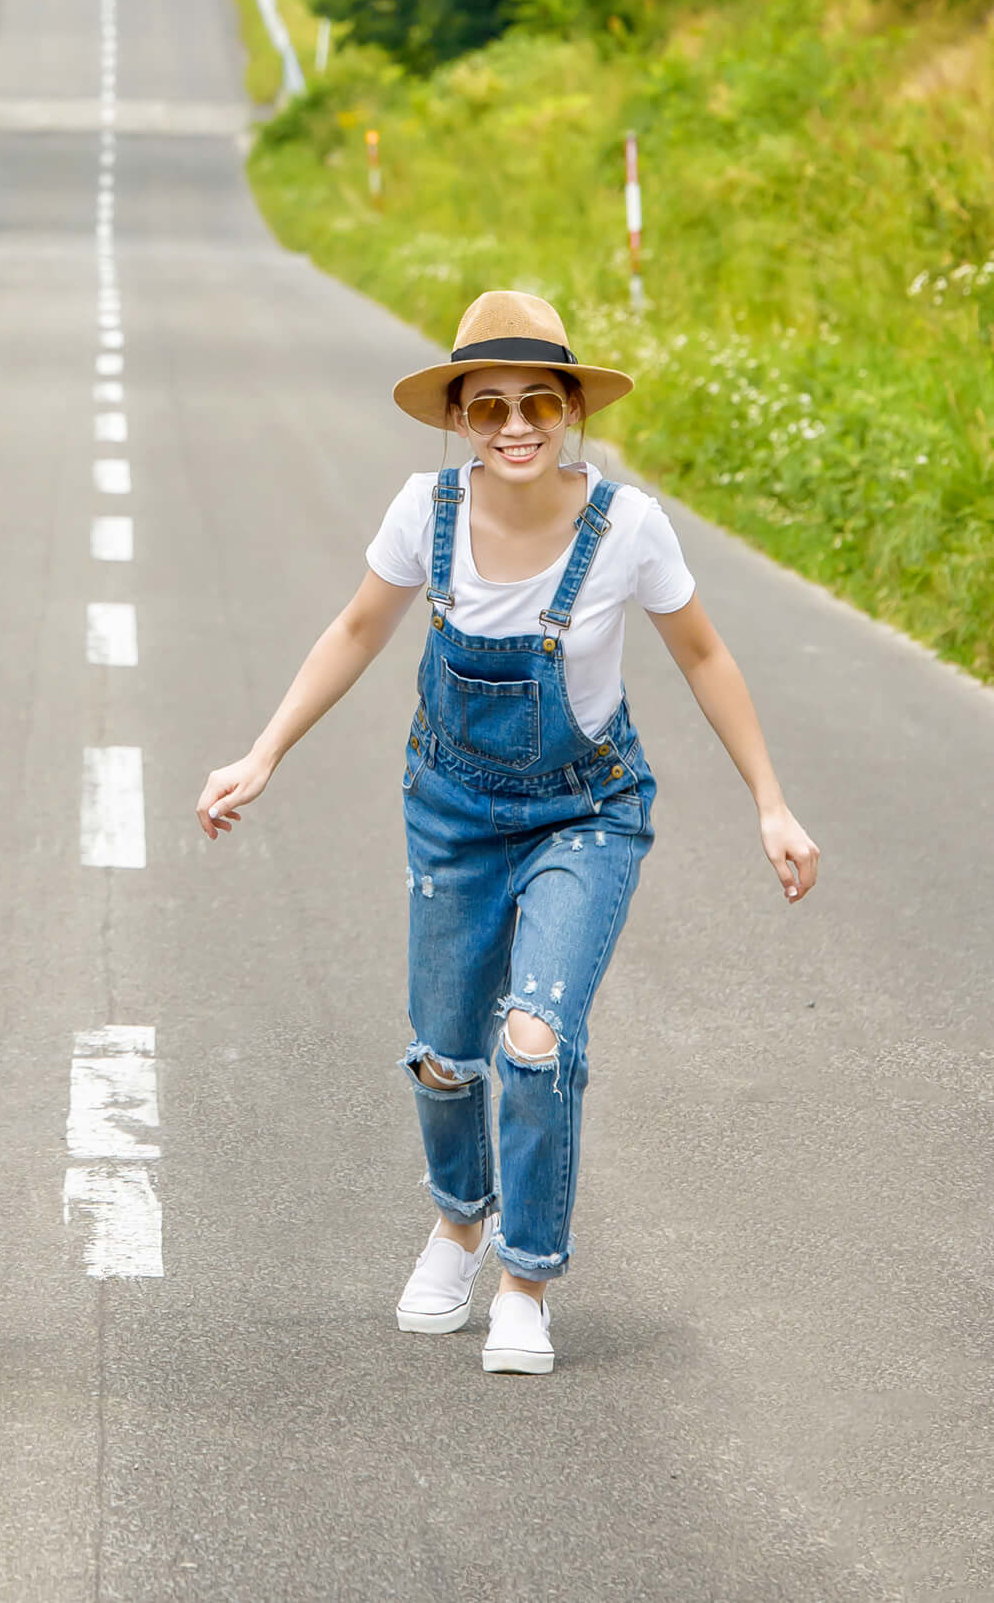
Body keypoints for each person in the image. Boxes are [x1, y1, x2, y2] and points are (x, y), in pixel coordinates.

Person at [196, 289, 819, 1379]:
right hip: (448, 809)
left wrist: (769, 798)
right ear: (459, 421)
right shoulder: (420, 511)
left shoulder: (625, 526)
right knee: (443, 1053)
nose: (515, 424)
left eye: (538, 399)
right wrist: (261, 752)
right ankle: (457, 1221)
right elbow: (353, 628)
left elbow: (703, 656)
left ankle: (524, 1279)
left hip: (585, 810)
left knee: (534, 1037)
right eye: (488, 406)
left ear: (571, 406)